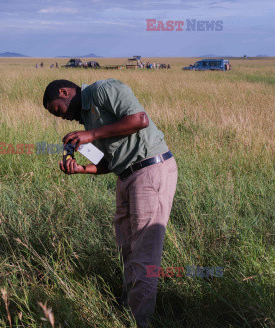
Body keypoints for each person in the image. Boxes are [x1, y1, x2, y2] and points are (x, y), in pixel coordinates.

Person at [42, 79, 178, 327]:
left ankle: (140, 321)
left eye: (58, 111)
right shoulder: (87, 120)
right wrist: (80, 168)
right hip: (125, 177)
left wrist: (91, 134)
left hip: (150, 170)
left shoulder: (104, 90)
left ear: (64, 92)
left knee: (144, 254)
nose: (62, 118)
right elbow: (107, 162)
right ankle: (128, 311)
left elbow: (140, 120)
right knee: (127, 249)